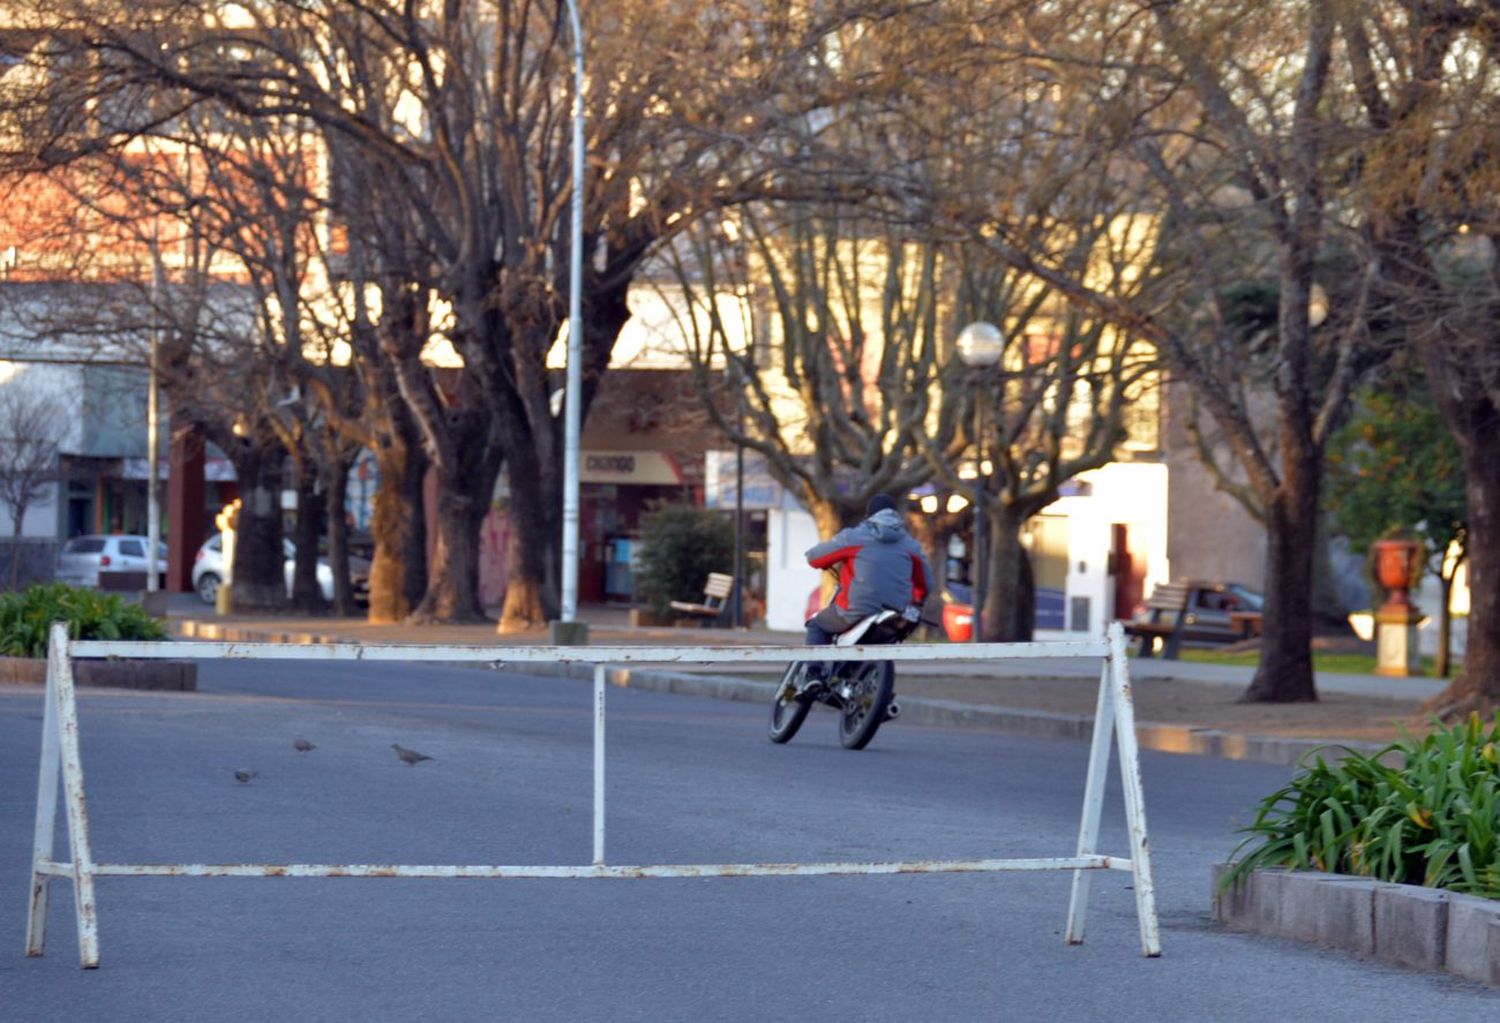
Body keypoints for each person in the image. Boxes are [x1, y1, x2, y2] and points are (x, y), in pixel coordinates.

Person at [802, 493, 933, 679]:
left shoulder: (854, 537)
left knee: (817, 625)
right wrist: (918, 601)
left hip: (856, 610)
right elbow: (925, 585)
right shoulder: (911, 546)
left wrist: (816, 559)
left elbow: (815, 558)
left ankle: (813, 676)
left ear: (869, 516)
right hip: (896, 615)